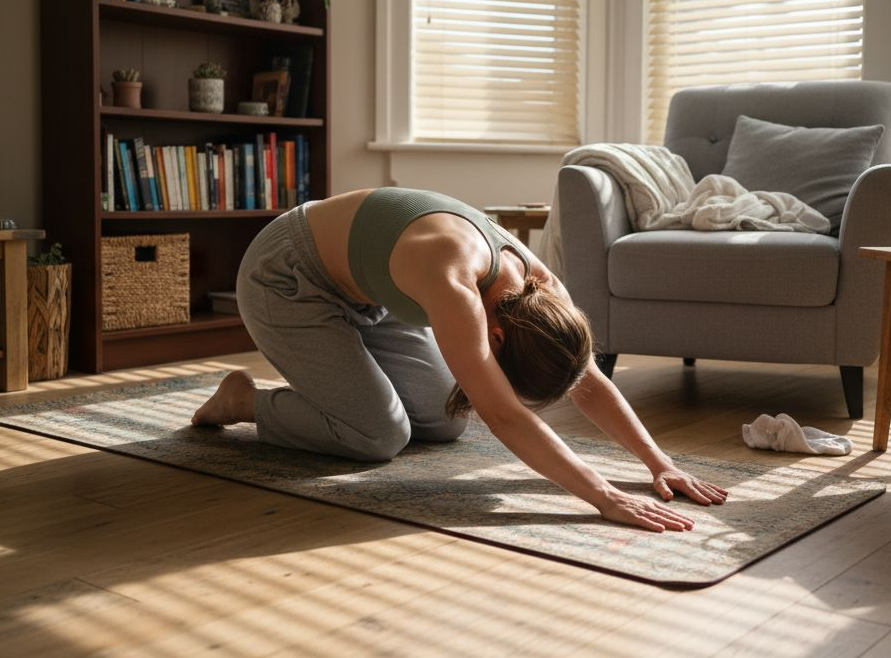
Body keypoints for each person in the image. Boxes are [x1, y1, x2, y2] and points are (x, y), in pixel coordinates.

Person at [192, 187, 728, 531]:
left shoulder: (541, 290)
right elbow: (503, 414)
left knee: (444, 421)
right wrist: (603, 496)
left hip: (369, 297)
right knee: (378, 435)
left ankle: (349, 381)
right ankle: (243, 400)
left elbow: (584, 377)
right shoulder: (453, 283)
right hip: (286, 277)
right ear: (495, 337)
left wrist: (658, 461)